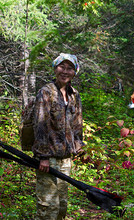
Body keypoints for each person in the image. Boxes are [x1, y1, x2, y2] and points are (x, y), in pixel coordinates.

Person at [32, 53, 84, 220]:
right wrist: (43, 156)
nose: (65, 71)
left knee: (62, 205)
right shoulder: (46, 92)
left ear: (75, 72)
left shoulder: (74, 95)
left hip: (65, 159)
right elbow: (40, 125)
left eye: (70, 68)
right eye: (62, 67)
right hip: (49, 158)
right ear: (55, 68)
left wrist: (79, 146)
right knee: (48, 207)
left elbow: (77, 124)